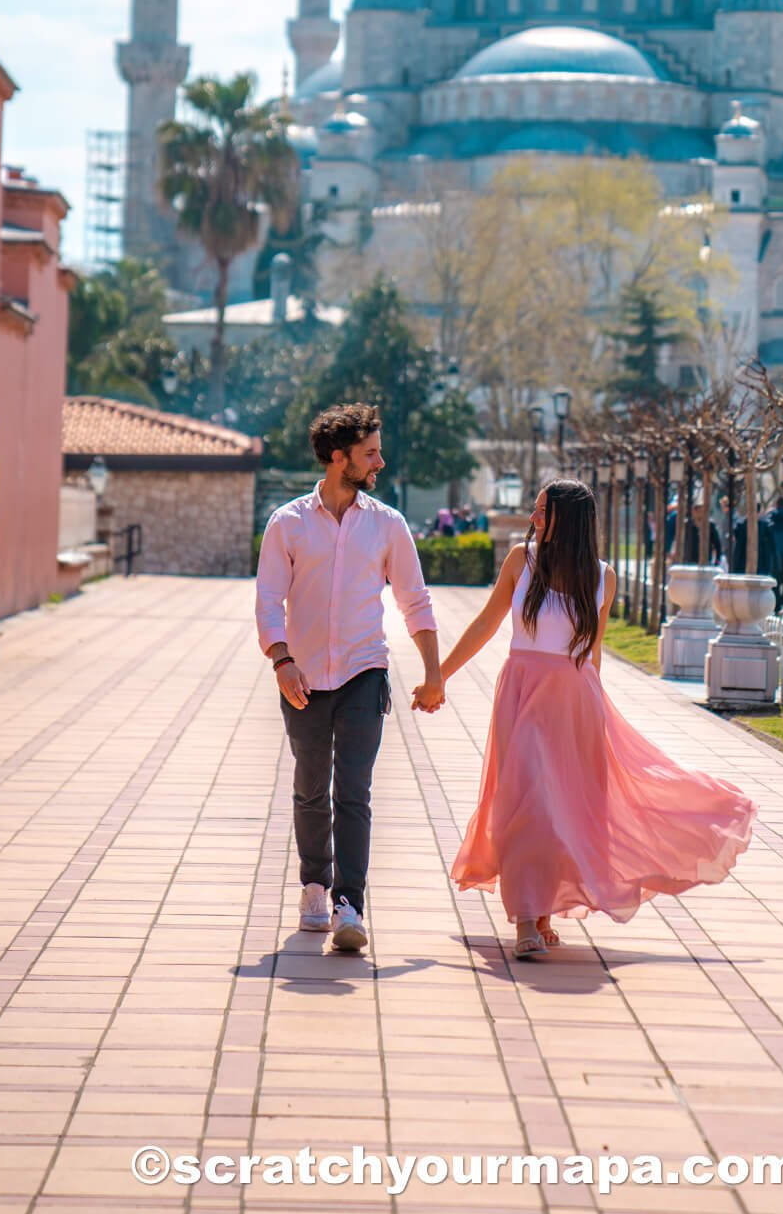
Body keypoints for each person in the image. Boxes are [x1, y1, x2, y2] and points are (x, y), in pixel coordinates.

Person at [432, 479, 755, 958]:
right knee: (527, 802)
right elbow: (485, 623)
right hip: (522, 693)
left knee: (562, 809)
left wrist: (599, 715)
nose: (534, 518)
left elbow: (593, 650)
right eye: (535, 510)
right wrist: (438, 676)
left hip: (577, 701)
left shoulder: (603, 576)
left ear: (571, 518)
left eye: (543, 511)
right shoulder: (522, 561)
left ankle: (540, 913)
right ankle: (525, 918)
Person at [255, 401, 443, 952]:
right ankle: (314, 885)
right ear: (340, 459)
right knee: (311, 786)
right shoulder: (287, 523)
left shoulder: (387, 524)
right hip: (304, 677)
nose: (379, 462)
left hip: (365, 671)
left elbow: (415, 600)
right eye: (370, 453)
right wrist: (282, 660)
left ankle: (349, 902)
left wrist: (433, 674)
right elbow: (268, 599)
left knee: (353, 789)